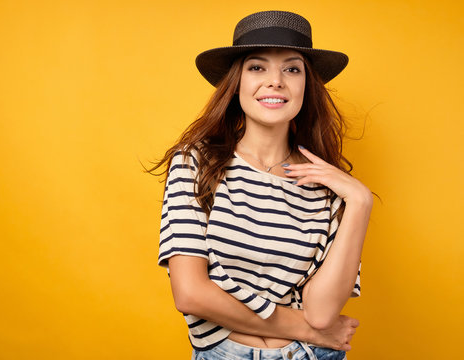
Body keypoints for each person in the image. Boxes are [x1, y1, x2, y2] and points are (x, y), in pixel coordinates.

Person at [151, 10, 372, 360]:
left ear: (306, 85)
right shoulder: (196, 163)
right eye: (257, 67)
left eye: (292, 68)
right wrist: (301, 326)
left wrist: (359, 200)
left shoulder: (329, 184)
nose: (275, 81)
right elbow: (191, 294)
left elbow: (321, 314)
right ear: (236, 82)